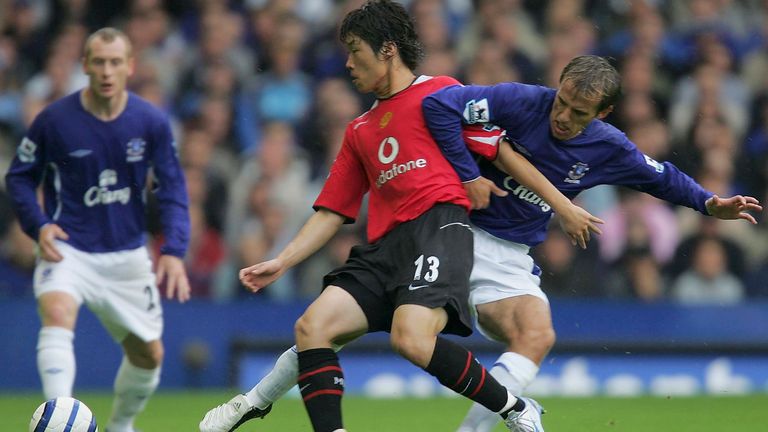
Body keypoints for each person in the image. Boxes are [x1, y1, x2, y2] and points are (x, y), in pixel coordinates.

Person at [199, 2, 603, 432]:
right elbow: (333, 210)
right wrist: (283, 260)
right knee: (312, 326)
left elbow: (499, 150)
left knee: (410, 339)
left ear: (388, 49)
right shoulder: (359, 130)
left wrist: (560, 204)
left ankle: (515, 409)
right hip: (386, 248)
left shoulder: (442, 93)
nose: (349, 63)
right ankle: (283, 413)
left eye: (356, 51)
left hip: (439, 230)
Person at [420, 54, 761, 432]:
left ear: (603, 113)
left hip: (507, 254)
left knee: (537, 335)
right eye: (561, 101)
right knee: (408, 335)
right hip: (451, 229)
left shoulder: (608, 147)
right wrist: (469, 176)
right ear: (558, 85)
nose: (562, 116)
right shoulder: (520, 100)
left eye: (579, 112)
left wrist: (709, 204)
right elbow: (438, 105)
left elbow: (662, 177)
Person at [4, 28, 190, 432]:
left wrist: (174, 249)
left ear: (130, 67)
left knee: (149, 356)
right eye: (99, 61)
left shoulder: (150, 122)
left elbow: (173, 186)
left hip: (126, 254)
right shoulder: (54, 120)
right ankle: (59, 419)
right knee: (56, 311)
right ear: (85, 65)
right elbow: (19, 177)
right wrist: (38, 226)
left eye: (115, 62)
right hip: (67, 247)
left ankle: (121, 425)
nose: (107, 71)